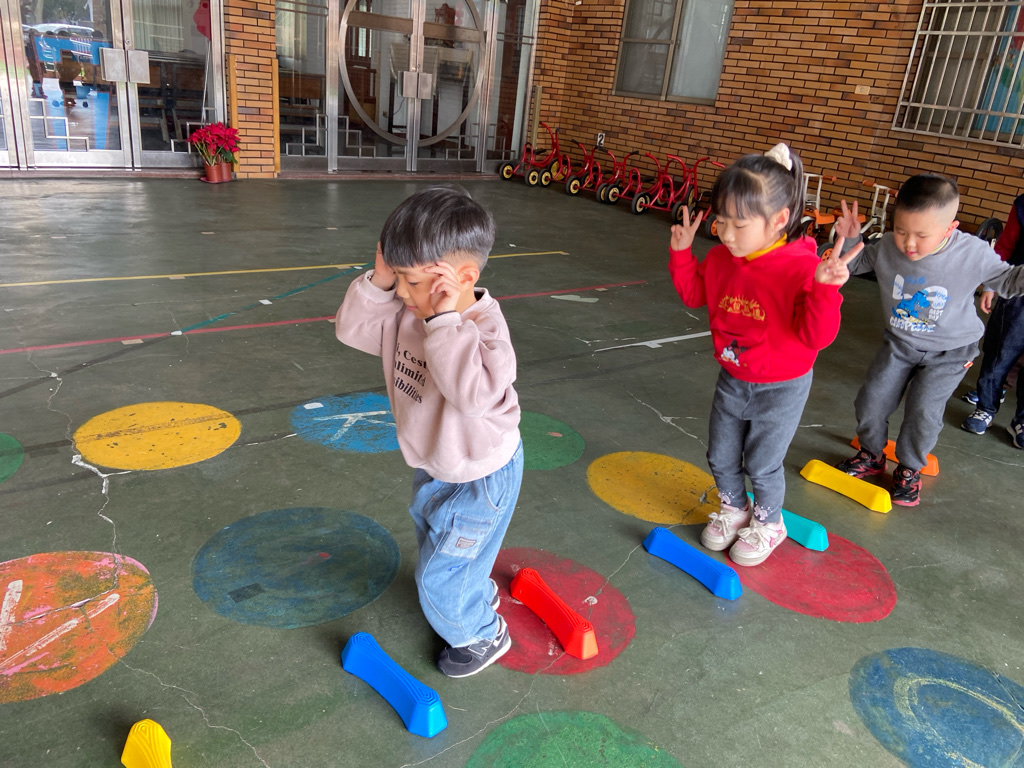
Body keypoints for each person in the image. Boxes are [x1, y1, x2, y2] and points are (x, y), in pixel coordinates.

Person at [335, 187, 522, 678]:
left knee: (439, 579)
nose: (401, 293)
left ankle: (482, 633)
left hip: (480, 476)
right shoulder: (409, 310)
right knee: (436, 543)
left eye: (411, 281)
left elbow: (471, 394)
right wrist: (381, 279)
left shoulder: (486, 332)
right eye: (396, 278)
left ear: (463, 279)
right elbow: (352, 331)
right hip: (435, 462)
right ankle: (472, 587)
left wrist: (443, 323)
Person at [669, 144, 854, 566]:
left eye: (739, 224)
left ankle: (770, 523)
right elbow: (695, 294)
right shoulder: (722, 258)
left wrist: (825, 291)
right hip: (734, 376)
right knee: (720, 454)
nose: (726, 233)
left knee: (763, 462)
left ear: (779, 220)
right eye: (721, 220)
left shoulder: (801, 268)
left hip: (782, 385)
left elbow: (817, 336)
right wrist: (681, 254)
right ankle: (735, 508)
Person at [834, 174, 1024, 504]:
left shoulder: (972, 252)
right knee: (871, 400)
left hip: (951, 351)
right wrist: (851, 240)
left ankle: (909, 468)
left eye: (922, 235)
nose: (909, 243)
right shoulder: (888, 246)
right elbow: (851, 265)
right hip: (899, 342)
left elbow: (1007, 281)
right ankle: (871, 455)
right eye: (901, 230)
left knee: (923, 411)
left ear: (950, 228)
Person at [960, 192, 1024, 448]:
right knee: (1000, 352)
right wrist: (990, 285)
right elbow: (1006, 245)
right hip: (1016, 292)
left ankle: (1021, 421)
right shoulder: (1022, 205)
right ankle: (985, 408)